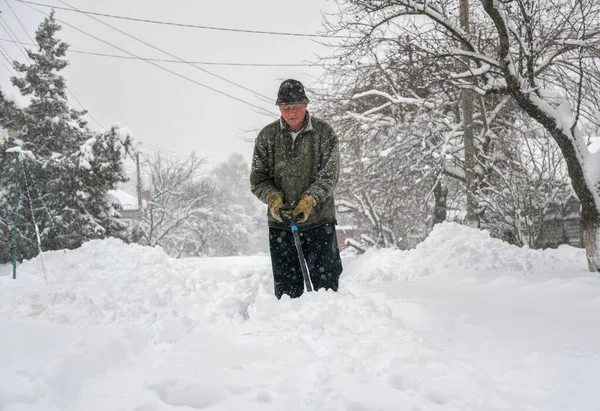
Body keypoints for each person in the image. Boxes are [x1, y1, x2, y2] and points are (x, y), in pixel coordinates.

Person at [250, 79, 343, 299]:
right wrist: (273, 199)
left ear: (306, 105)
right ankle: (288, 331)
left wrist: (309, 200)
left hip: (319, 222)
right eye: (286, 108)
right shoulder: (267, 137)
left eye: (296, 107)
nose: (291, 113)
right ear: (279, 109)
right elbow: (258, 179)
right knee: (287, 295)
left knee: (326, 291)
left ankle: (330, 330)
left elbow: (329, 176)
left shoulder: (324, 134)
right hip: (281, 226)